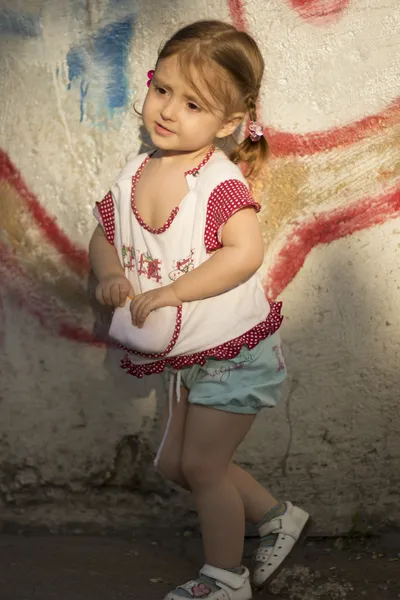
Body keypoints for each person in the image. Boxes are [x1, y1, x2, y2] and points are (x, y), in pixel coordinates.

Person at [89, 19, 310, 600]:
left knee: (205, 468)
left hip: (235, 352)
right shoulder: (137, 172)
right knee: (174, 466)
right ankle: (276, 517)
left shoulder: (217, 183)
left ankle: (224, 578)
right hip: (193, 351)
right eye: (162, 90)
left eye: (192, 103)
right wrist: (111, 271)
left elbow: (245, 253)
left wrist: (173, 291)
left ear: (230, 124)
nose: (167, 110)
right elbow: (105, 234)